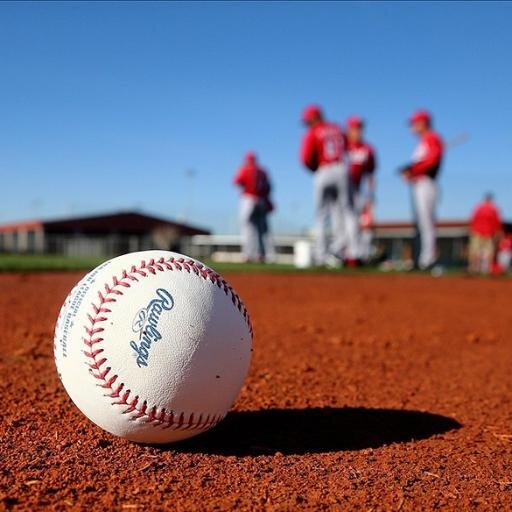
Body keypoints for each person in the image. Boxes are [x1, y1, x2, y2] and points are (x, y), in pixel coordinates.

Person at [300, 104, 358, 266]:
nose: (307, 124)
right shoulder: (338, 128)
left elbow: (305, 158)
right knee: (347, 212)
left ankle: (321, 255)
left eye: (308, 120)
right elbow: (348, 148)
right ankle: (353, 253)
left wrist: (316, 169)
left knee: (321, 215)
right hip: (341, 168)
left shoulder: (313, 132)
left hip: (323, 169)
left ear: (315, 117)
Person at [399, 110, 444, 270]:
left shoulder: (431, 138)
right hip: (419, 184)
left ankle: (428, 259)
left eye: (414, 123)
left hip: (427, 183)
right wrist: (409, 170)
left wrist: (413, 170)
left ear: (423, 123)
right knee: (421, 224)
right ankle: (421, 258)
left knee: (426, 223)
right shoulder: (424, 141)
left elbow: (431, 161)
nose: (412, 127)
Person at [233, 152, 274, 263]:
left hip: (248, 199)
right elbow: (269, 188)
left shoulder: (245, 169)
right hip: (261, 201)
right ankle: (263, 255)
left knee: (247, 229)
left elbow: (237, 182)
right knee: (262, 230)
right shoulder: (263, 171)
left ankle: (248, 255)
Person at [346, 116, 377, 263]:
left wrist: (371, 195)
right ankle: (351, 254)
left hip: (361, 190)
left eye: (359, 128)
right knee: (348, 223)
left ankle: (364, 255)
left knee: (366, 223)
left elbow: (371, 174)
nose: (356, 131)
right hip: (346, 191)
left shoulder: (368, 149)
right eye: (353, 128)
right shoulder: (343, 147)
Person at [468, 193, 502, 274]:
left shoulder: (478, 207)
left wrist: (471, 229)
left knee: (475, 250)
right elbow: (497, 222)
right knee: (488, 251)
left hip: (477, 232)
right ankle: (486, 269)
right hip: (488, 233)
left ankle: (474, 268)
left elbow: (472, 219)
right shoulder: (494, 208)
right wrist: (497, 232)